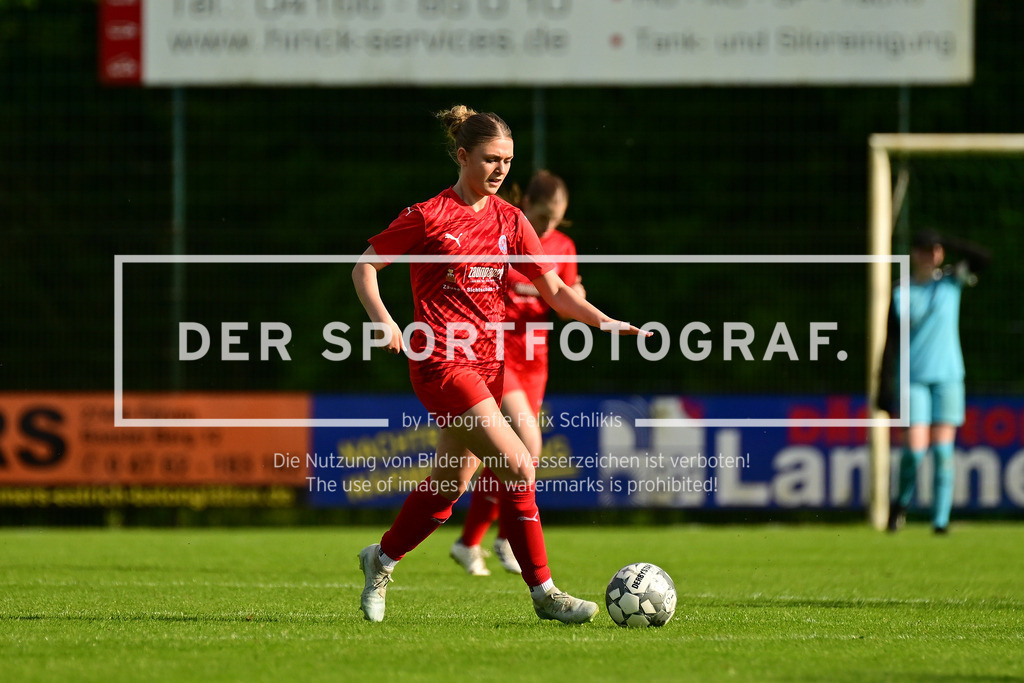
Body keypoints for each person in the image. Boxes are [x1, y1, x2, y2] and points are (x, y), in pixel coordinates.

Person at [352, 105, 646, 623]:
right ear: (463, 156)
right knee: (517, 463)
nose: (501, 170)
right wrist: (385, 321)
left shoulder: (511, 221)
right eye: (491, 159)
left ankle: (382, 558)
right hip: (441, 363)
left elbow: (553, 289)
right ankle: (544, 592)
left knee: (449, 488)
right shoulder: (429, 215)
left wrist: (602, 321)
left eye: (508, 161)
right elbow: (365, 267)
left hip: (490, 367)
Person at [449, 170, 584, 577]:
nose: (547, 226)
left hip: (535, 361)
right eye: (542, 216)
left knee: (499, 454)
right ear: (526, 204)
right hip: (496, 354)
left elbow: (564, 301)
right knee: (528, 444)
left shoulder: (563, 246)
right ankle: (508, 541)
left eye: (555, 219)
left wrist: (577, 300)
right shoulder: (505, 234)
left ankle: (468, 541)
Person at [877, 228, 990, 534]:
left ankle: (940, 521)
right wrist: (883, 388)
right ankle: (900, 505)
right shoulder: (902, 290)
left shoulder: (952, 281)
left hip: (949, 378)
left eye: (935, 250)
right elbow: (889, 342)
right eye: (925, 249)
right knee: (914, 451)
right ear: (914, 254)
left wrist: (948, 241)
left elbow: (984, 257)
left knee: (943, 452)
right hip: (912, 380)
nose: (930, 255)